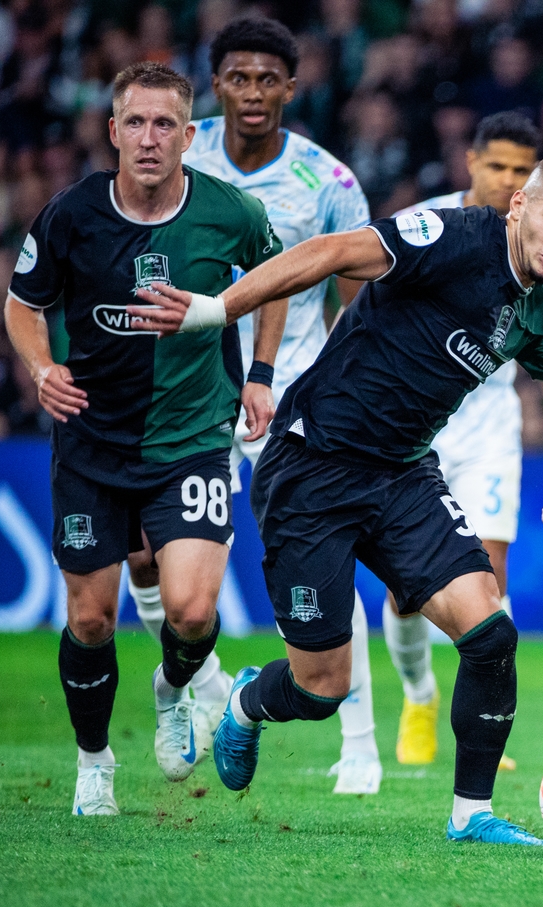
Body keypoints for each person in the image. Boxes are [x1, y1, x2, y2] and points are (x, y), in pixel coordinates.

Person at [130, 156, 543, 846]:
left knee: (491, 634)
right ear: (518, 208)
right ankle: (247, 701)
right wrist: (216, 309)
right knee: (320, 689)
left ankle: (471, 814)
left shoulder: (541, 309)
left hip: (403, 476)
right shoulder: (452, 237)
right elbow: (330, 252)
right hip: (312, 468)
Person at [2, 62, 285, 814]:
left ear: (189, 136)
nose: (149, 138)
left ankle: (173, 684)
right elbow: (21, 304)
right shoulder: (72, 214)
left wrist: (260, 374)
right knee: (90, 618)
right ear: (113, 131)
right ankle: (94, 762)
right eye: (135, 122)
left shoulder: (230, 211)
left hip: (193, 437)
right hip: (92, 442)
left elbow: (277, 279)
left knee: (191, 613)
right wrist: (41, 368)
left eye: (165, 124)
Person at [137, 17, 379, 795]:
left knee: (325, 553)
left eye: (266, 79)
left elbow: (360, 302)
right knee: (144, 552)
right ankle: (206, 688)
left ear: (290, 89)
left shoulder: (327, 182)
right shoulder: (179, 152)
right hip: (185, 389)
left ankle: (360, 745)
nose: (251, 92)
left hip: (293, 395)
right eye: (238, 77)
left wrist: (337, 387)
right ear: (216, 84)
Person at [383, 112, 543, 772]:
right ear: (471, 162)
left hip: (487, 430)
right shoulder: (426, 225)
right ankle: (418, 695)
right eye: (497, 165)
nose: (508, 179)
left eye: (521, 170)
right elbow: (361, 290)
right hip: (413, 425)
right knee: (405, 592)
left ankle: (479, 725)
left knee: (488, 576)